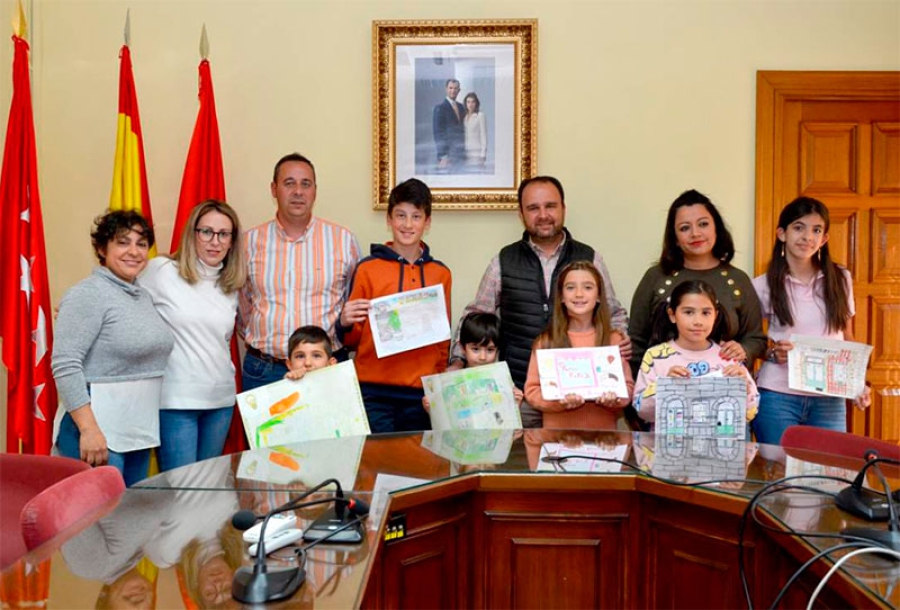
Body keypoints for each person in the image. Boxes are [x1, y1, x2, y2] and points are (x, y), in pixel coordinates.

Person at [451, 176, 630, 428]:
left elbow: (615, 313)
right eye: (533, 208)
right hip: (517, 393)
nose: (543, 215)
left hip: (582, 397)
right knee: (515, 453)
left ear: (563, 208)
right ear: (521, 214)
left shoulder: (590, 258)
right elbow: (475, 317)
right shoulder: (503, 260)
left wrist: (619, 340)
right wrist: (458, 361)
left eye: (550, 206)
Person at [52, 210, 174, 486]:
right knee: (95, 511)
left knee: (127, 511)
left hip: (136, 429)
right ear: (101, 248)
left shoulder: (141, 295)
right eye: (122, 242)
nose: (134, 251)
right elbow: (65, 364)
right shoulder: (88, 294)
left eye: (141, 244)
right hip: (97, 430)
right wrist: (89, 430)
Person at [751, 197, 870, 444]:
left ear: (824, 238)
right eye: (799, 227)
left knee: (828, 466)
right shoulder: (761, 285)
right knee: (779, 467)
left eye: (816, 230)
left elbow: (846, 336)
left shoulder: (840, 278)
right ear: (782, 234)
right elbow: (751, 341)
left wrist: (857, 383)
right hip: (778, 395)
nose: (807, 237)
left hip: (829, 398)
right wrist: (772, 353)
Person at [139, 200, 245, 472]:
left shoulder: (230, 285)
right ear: (192, 233)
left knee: (207, 486)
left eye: (224, 234)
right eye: (206, 232)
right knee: (182, 487)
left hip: (220, 401)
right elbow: (119, 289)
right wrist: (84, 307)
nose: (215, 242)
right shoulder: (161, 271)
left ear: (232, 241)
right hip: (176, 401)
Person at [239, 152, 361, 391]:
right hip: (265, 370)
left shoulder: (343, 240)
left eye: (306, 184)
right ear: (274, 189)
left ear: (315, 190)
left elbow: (352, 304)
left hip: (326, 369)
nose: (298, 191)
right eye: (289, 183)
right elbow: (242, 307)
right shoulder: (248, 242)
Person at [339, 178, 452, 433]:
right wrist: (344, 323)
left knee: (417, 459)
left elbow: (442, 340)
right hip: (373, 393)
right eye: (401, 215)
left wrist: (436, 383)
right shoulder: (367, 269)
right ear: (389, 219)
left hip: (420, 395)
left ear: (427, 222)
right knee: (377, 458)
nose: (408, 224)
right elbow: (352, 339)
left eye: (416, 216)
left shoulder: (441, 274)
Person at [628, 189, 766, 378]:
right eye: (685, 228)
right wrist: (641, 387)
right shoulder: (655, 277)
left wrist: (744, 350)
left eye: (703, 224)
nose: (695, 233)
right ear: (675, 238)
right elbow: (636, 341)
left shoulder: (738, 279)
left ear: (716, 228)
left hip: (723, 387)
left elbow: (756, 338)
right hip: (665, 388)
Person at [633, 280, 759, 430]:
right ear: (672, 315)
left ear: (715, 315)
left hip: (719, 442)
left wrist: (744, 387)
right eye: (688, 312)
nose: (698, 321)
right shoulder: (656, 357)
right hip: (670, 442)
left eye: (706, 313)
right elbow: (641, 410)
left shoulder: (728, 355)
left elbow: (750, 412)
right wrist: (666, 387)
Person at [524, 261, 634, 430]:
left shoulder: (614, 340)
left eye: (588, 287)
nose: (579, 294)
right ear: (561, 296)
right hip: (556, 438)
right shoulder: (545, 342)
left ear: (599, 296)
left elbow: (628, 388)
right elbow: (532, 390)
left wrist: (615, 399)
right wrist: (559, 402)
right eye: (570, 288)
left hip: (603, 438)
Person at [423, 312, 524, 412]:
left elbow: (508, 416)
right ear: (463, 348)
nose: (483, 357)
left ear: (497, 350)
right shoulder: (451, 381)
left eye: (490, 350)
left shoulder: (502, 380)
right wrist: (432, 409)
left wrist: (516, 404)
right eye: (475, 349)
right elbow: (444, 415)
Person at [432, 79, 466, 171]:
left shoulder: (462, 107)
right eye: (450, 88)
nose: (453, 91)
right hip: (447, 156)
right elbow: (438, 134)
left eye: (455, 88)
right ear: (446, 89)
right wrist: (443, 156)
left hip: (461, 155)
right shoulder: (440, 108)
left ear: (459, 90)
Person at [463, 92, 487, 169]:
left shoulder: (480, 115)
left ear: (476, 103)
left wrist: (483, 155)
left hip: (477, 152)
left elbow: (483, 136)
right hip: (465, 153)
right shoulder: (464, 117)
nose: (470, 104)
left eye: (473, 102)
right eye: (468, 102)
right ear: (465, 103)